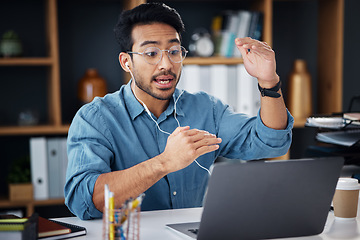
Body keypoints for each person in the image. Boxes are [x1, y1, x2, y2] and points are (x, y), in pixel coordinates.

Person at [65, 2, 293, 220]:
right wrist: (164, 163)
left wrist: (268, 80)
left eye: (174, 51)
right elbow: (82, 201)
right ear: (126, 62)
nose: (166, 64)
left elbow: (271, 141)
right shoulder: (96, 119)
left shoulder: (206, 109)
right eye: (151, 53)